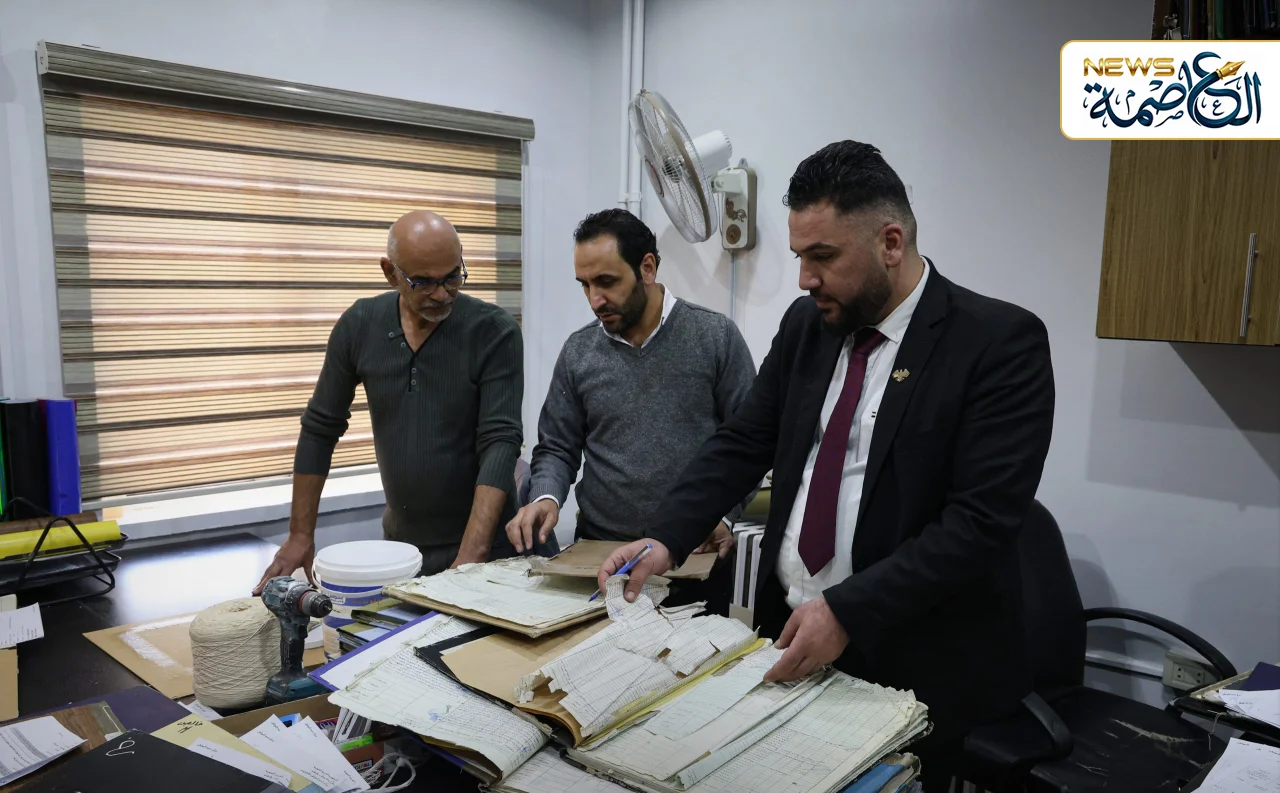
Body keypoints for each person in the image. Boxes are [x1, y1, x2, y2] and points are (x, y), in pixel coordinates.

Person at [596, 142, 1055, 790]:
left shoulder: (997, 343)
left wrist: (849, 609)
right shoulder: (808, 325)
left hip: (913, 657)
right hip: (794, 631)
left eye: (823, 257)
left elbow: (979, 524)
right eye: (798, 257)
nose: (804, 279)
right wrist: (667, 537)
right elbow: (743, 440)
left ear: (890, 242)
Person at [254, 209, 523, 593]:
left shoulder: (494, 332)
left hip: (486, 549)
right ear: (390, 273)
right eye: (424, 282)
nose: (442, 294)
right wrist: (300, 534)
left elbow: (500, 441)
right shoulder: (360, 325)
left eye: (452, 277)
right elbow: (320, 429)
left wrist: (471, 556)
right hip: (401, 550)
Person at [506, 209, 757, 610]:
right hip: (602, 557)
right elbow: (557, 446)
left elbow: (751, 442)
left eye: (606, 282)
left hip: (692, 556)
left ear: (647, 268)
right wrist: (545, 497)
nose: (595, 300)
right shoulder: (579, 351)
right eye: (585, 285)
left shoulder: (714, 337)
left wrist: (723, 516)